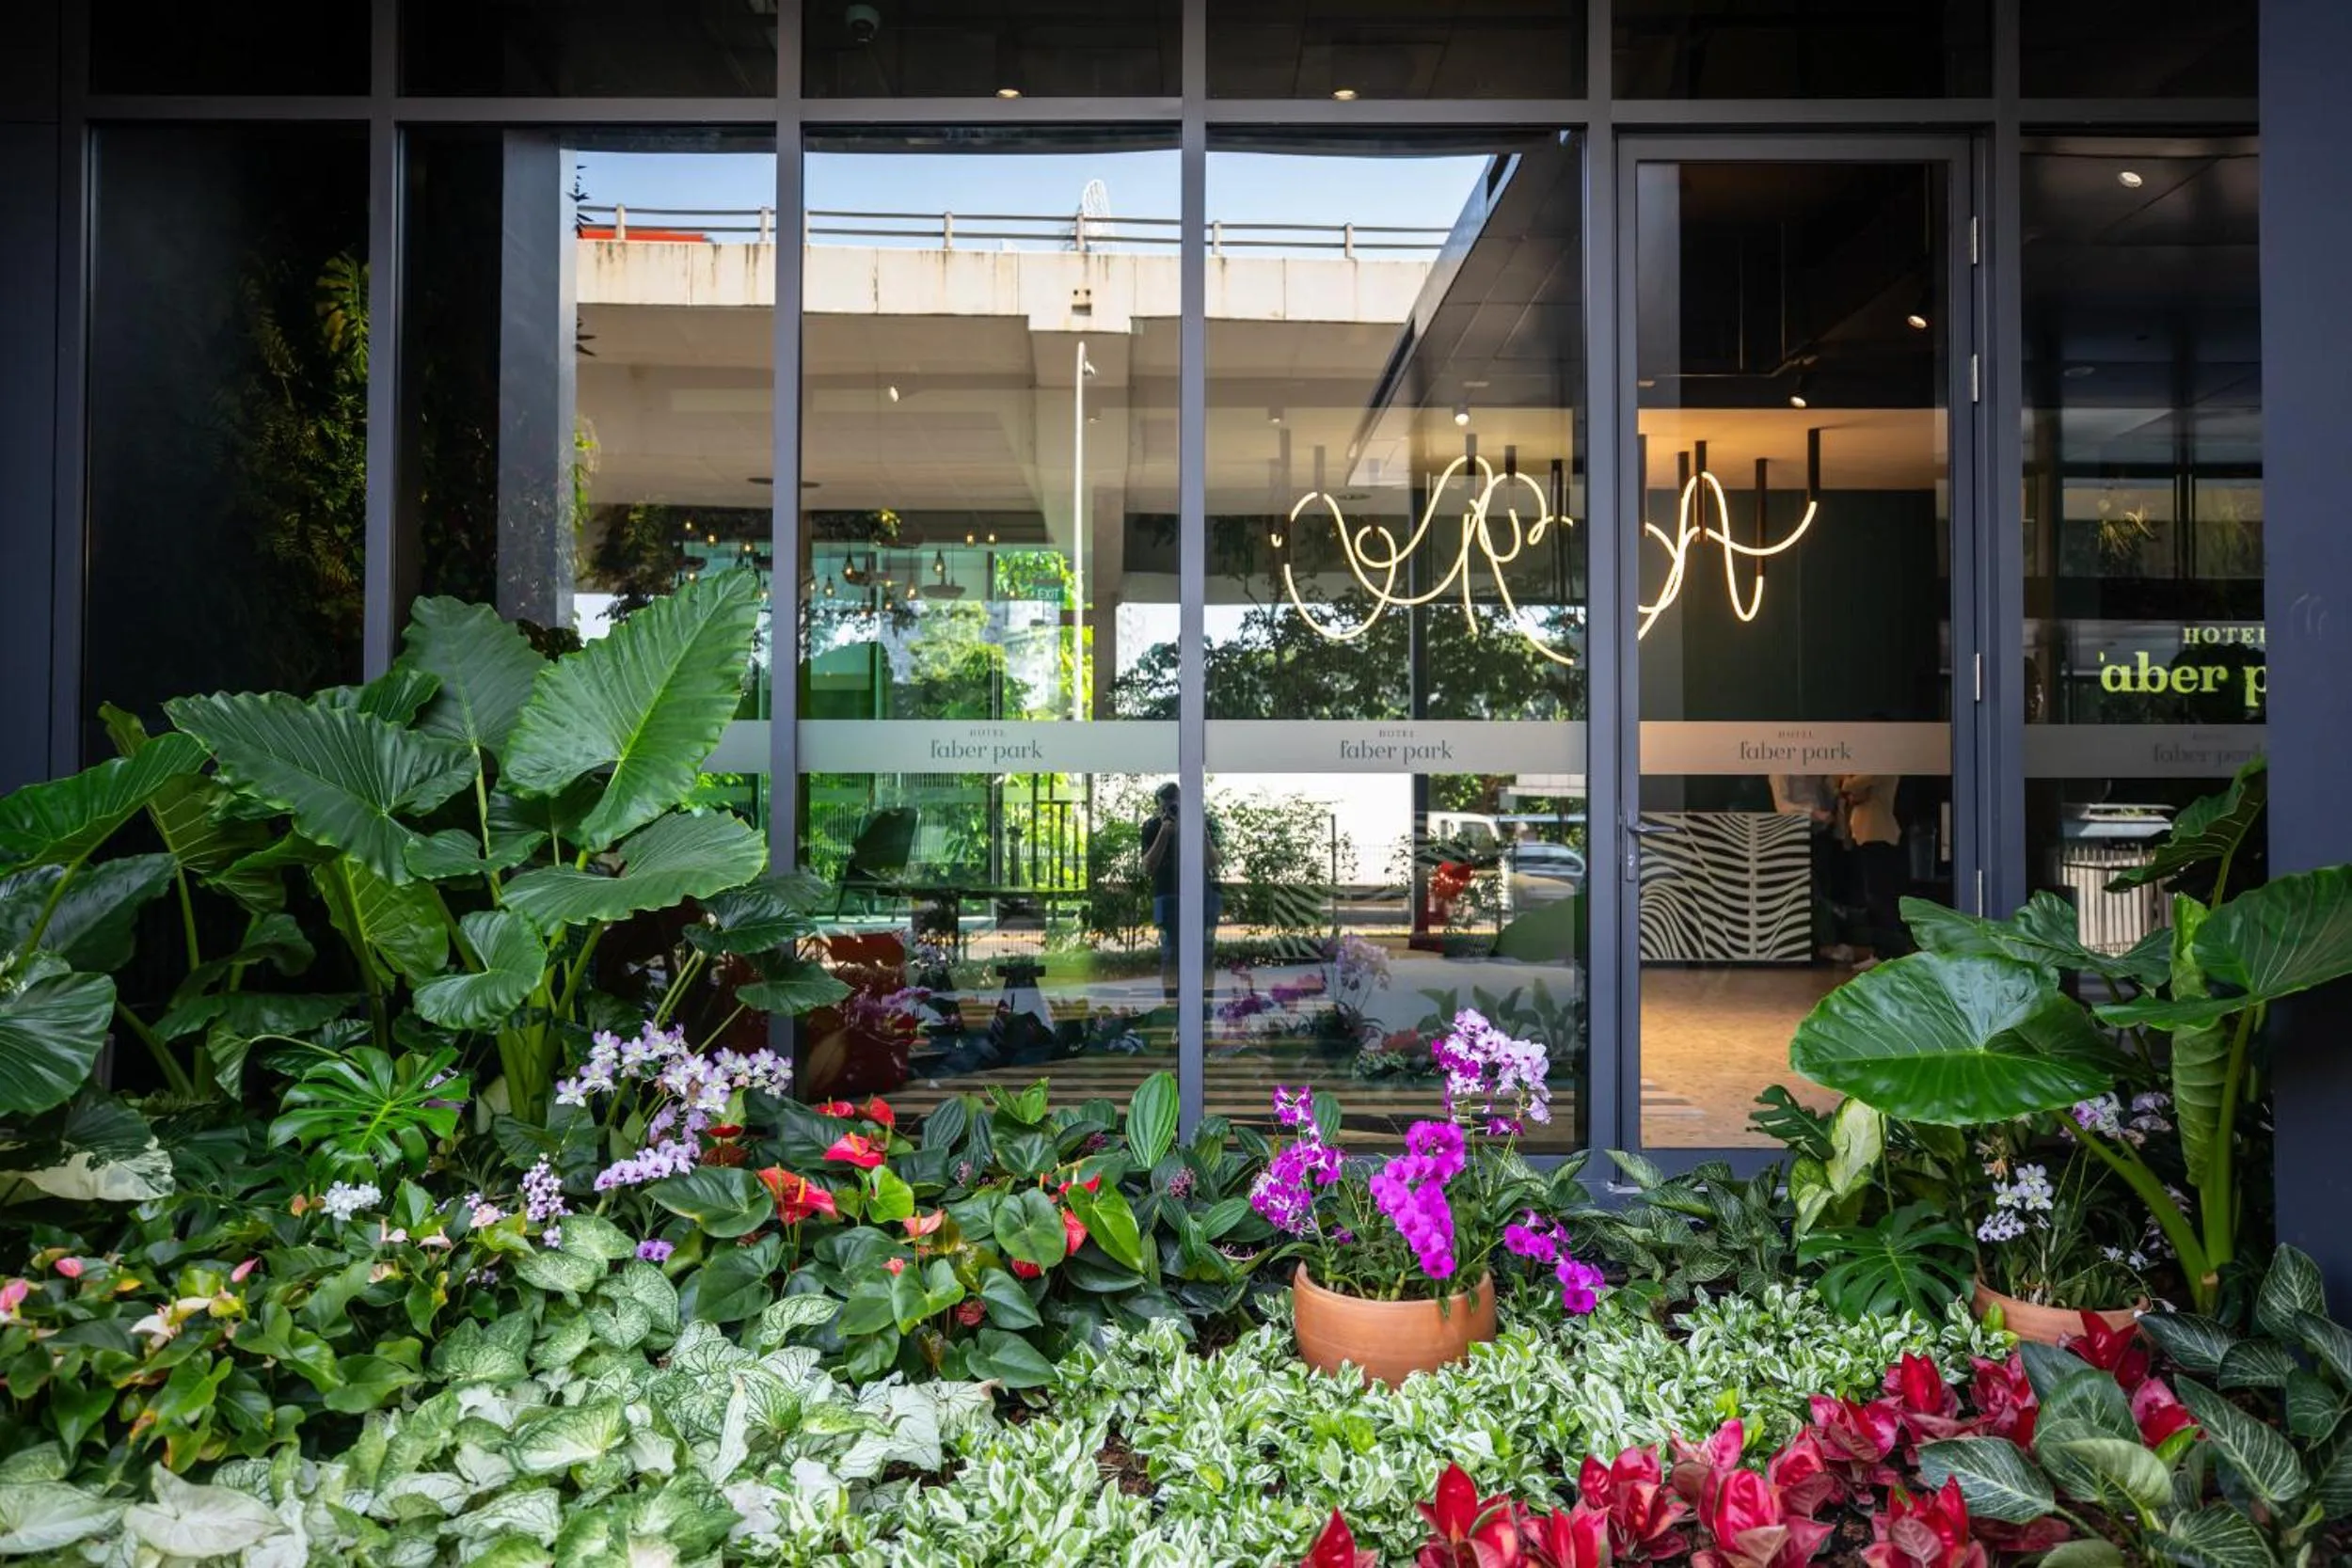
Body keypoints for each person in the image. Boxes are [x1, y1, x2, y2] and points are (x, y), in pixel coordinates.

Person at [1138, 783, 1222, 1002]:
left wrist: (1201, 832)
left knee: (1205, 954)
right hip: (1167, 898)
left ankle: (1205, 1008)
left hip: (1201, 897)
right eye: (1164, 809)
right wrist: (1163, 835)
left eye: (1174, 807)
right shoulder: (1152, 827)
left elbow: (1213, 862)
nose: (1169, 813)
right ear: (1158, 808)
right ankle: (1172, 1006)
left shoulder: (1203, 822)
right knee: (1170, 956)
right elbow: (1147, 868)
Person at [1836, 772, 1907, 969]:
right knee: (1873, 896)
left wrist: (1847, 781)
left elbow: (1851, 784)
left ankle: (1889, 952)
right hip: (1865, 835)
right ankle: (1880, 950)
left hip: (1877, 834)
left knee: (1880, 896)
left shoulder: (1880, 765)